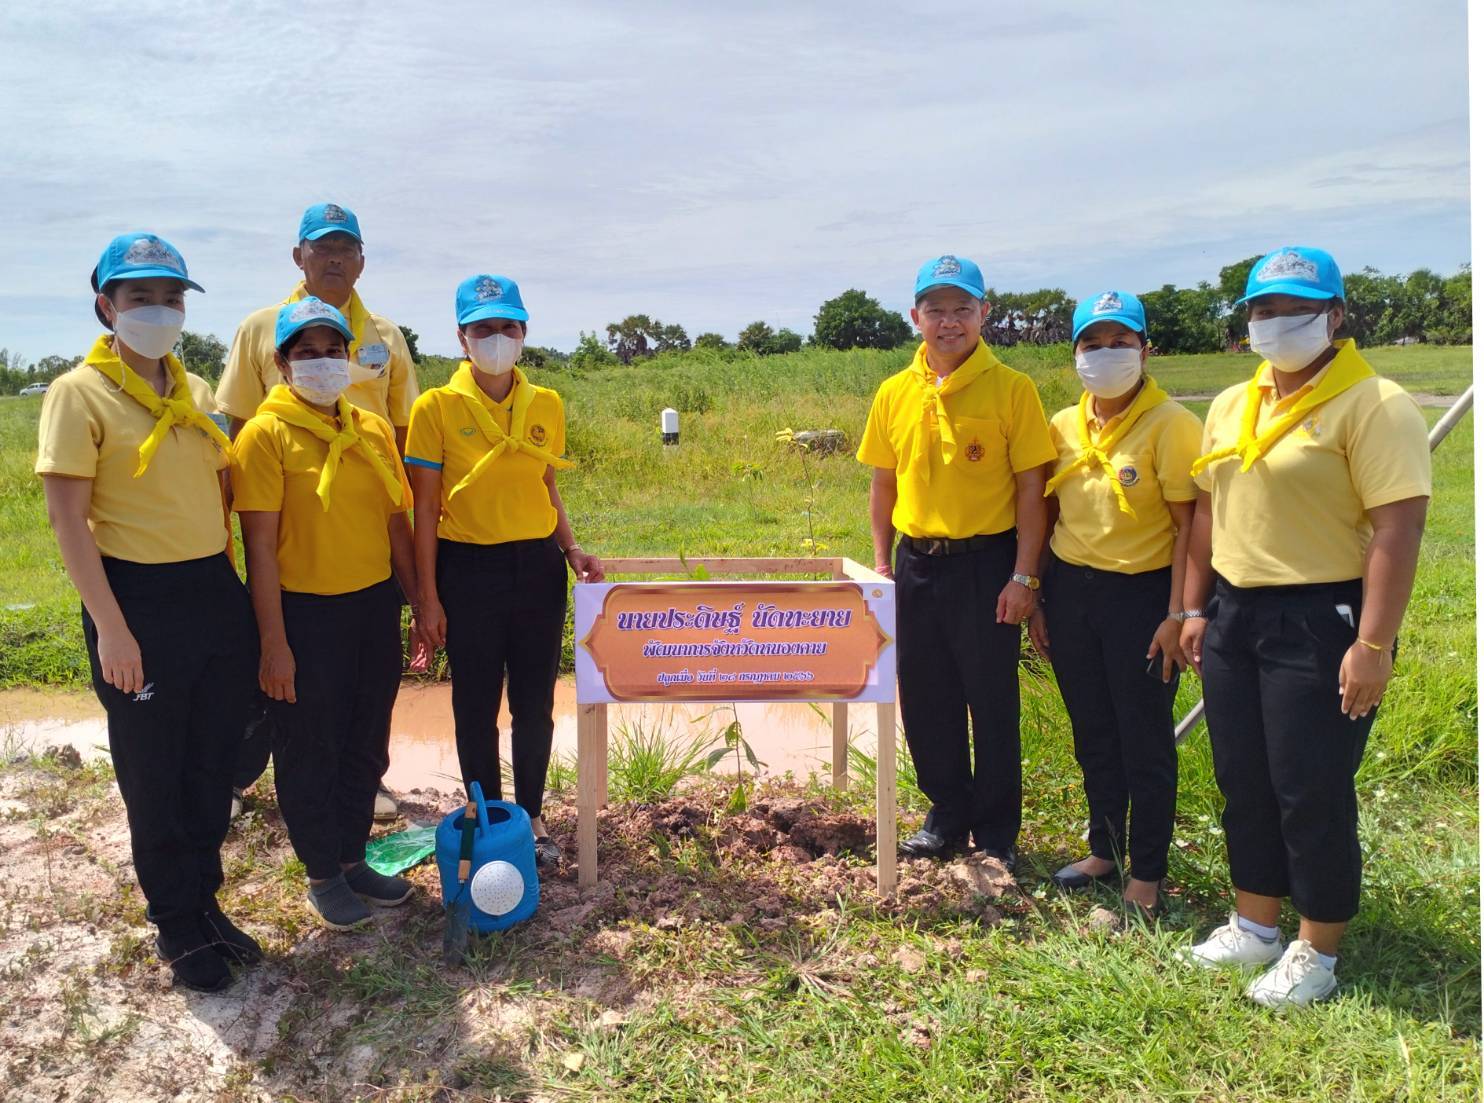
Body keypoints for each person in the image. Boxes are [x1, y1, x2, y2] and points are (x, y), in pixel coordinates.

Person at [1179, 247, 1431, 1006]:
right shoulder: (1233, 402)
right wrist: (1194, 606)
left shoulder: (1375, 403)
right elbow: (1208, 509)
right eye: (1263, 309)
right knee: (1243, 777)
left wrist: (1374, 644)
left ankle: (1317, 946)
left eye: (1295, 308)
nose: (1276, 322)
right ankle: (1255, 918)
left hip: (1321, 615)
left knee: (1310, 785)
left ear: (1336, 315)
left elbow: (1399, 528)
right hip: (1234, 609)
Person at [36, 233, 260, 991]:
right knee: (154, 773)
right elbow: (69, 521)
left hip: (211, 591)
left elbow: (218, 502)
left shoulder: (195, 395)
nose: (158, 311)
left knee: (211, 763)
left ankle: (205, 900)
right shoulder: (79, 394)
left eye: (171, 297)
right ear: (106, 305)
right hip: (136, 600)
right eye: (140, 297)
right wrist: (112, 627)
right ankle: (173, 921)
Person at [216, 202, 419, 821]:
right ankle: (244, 781)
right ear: (297, 255)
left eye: (346, 248)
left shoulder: (384, 336)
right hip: (293, 553)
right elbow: (241, 434)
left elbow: (401, 440)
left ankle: (360, 802)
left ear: (362, 259)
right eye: (322, 247)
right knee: (293, 697)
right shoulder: (260, 329)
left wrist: (417, 591)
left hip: (368, 559)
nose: (335, 258)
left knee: (365, 704)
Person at [230, 298, 424, 930]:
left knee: (366, 741)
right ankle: (320, 872)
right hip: (304, 613)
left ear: (349, 358)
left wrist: (420, 603)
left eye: (332, 351)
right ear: (282, 364)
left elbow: (398, 524)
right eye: (305, 352)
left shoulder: (368, 429)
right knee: (310, 747)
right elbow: (258, 545)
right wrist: (272, 643)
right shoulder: (265, 435)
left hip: (372, 607)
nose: (321, 362)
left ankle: (351, 856)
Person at [856, 255, 1056, 866]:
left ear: (984, 315)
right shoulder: (894, 391)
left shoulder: (1013, 389)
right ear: (916, 317)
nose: (949, 322)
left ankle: (996, 832)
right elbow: (883, 486)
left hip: (987, 564)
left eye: (962, 308)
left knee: (990, 699)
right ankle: (945, 814)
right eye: (936, 309)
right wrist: (881, 565)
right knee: (925, 695)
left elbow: (1032, 489)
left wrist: (1025, 576)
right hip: (917, 564)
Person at [405, 274, 604, 866]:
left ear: (524, 332)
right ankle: (488, 816)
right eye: (483, 328)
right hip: (467, 568)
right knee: (474, 702)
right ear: (461, 337)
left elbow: (547, 484)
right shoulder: (435, 408)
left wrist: (570, 550)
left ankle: (533, 818)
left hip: (538, 566)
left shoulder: (545, 403)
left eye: (507, 326)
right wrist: (426, 598)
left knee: (535, 701)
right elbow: (423, 509)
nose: (497, 337)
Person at [1029, 290, 1202, 915]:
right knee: (1093, 729)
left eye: (1120, 342)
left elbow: (1191, 527)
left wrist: (1178, 613)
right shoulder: (1063, 424)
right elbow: (1049, 515)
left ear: (1144, 349)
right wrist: (1043, 596)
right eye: (1092, 344)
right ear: (1075, 353)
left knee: (1144, 736)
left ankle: (1148, 874)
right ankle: (1104, 847)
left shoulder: (1173, 425)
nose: (1106, 355)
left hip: (1144, 596)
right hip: (1075, 590)